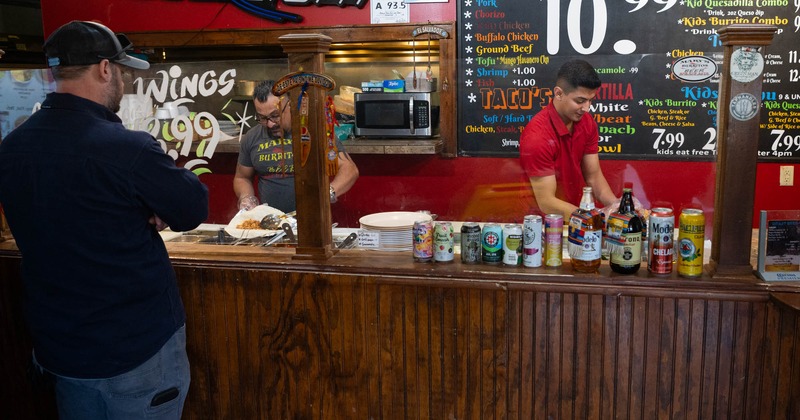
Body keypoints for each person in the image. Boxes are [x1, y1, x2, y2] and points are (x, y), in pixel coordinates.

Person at [0, 21, 208, 419]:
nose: (124, 82)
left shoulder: (12, 147)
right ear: (105, 69)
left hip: (60, 352)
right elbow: (192, 208)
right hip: (134, 353)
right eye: (123, 71)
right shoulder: (125, 148)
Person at [233, 79, 359, 213]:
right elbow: (242, 177)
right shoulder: (252, 137)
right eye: (262, 118)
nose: (270, 124)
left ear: (291, 105)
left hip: (312, 220)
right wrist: (246, 198)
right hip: (270, 223)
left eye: (275, 116)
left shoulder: (315, 133)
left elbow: (349, 169)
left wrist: (327, 194)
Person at [520, 59, 617, 220]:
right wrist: (592, 218)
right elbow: (546, 202)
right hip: (539, 224)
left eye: (590, 100)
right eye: (580, 101)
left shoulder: (587, 123)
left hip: (573, 217)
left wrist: (617, 208)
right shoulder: (537, 137)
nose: (586, 108)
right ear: (558, 93)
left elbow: (594, 177)